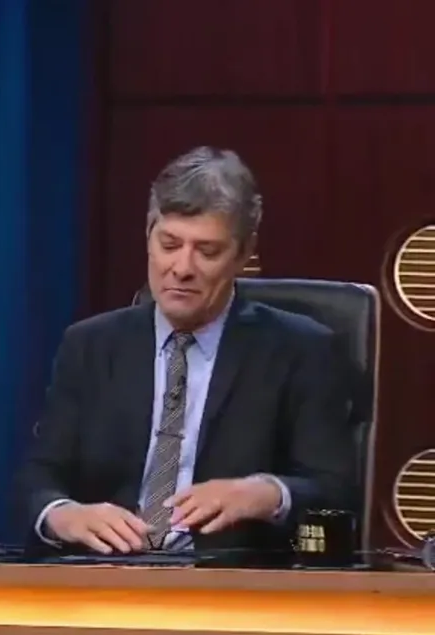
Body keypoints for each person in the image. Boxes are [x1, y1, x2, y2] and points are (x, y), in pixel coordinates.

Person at [22, 147, 355, 555]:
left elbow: (336, 489)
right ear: (148, 237)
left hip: (232, 581)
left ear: (244, 253)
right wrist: (62, 515)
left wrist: (267, 493)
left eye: (207, 251)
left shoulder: (301, 351)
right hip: (106, 573)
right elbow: (40, 473)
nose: (182, 268)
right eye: (169, 244)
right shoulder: (90, 346)